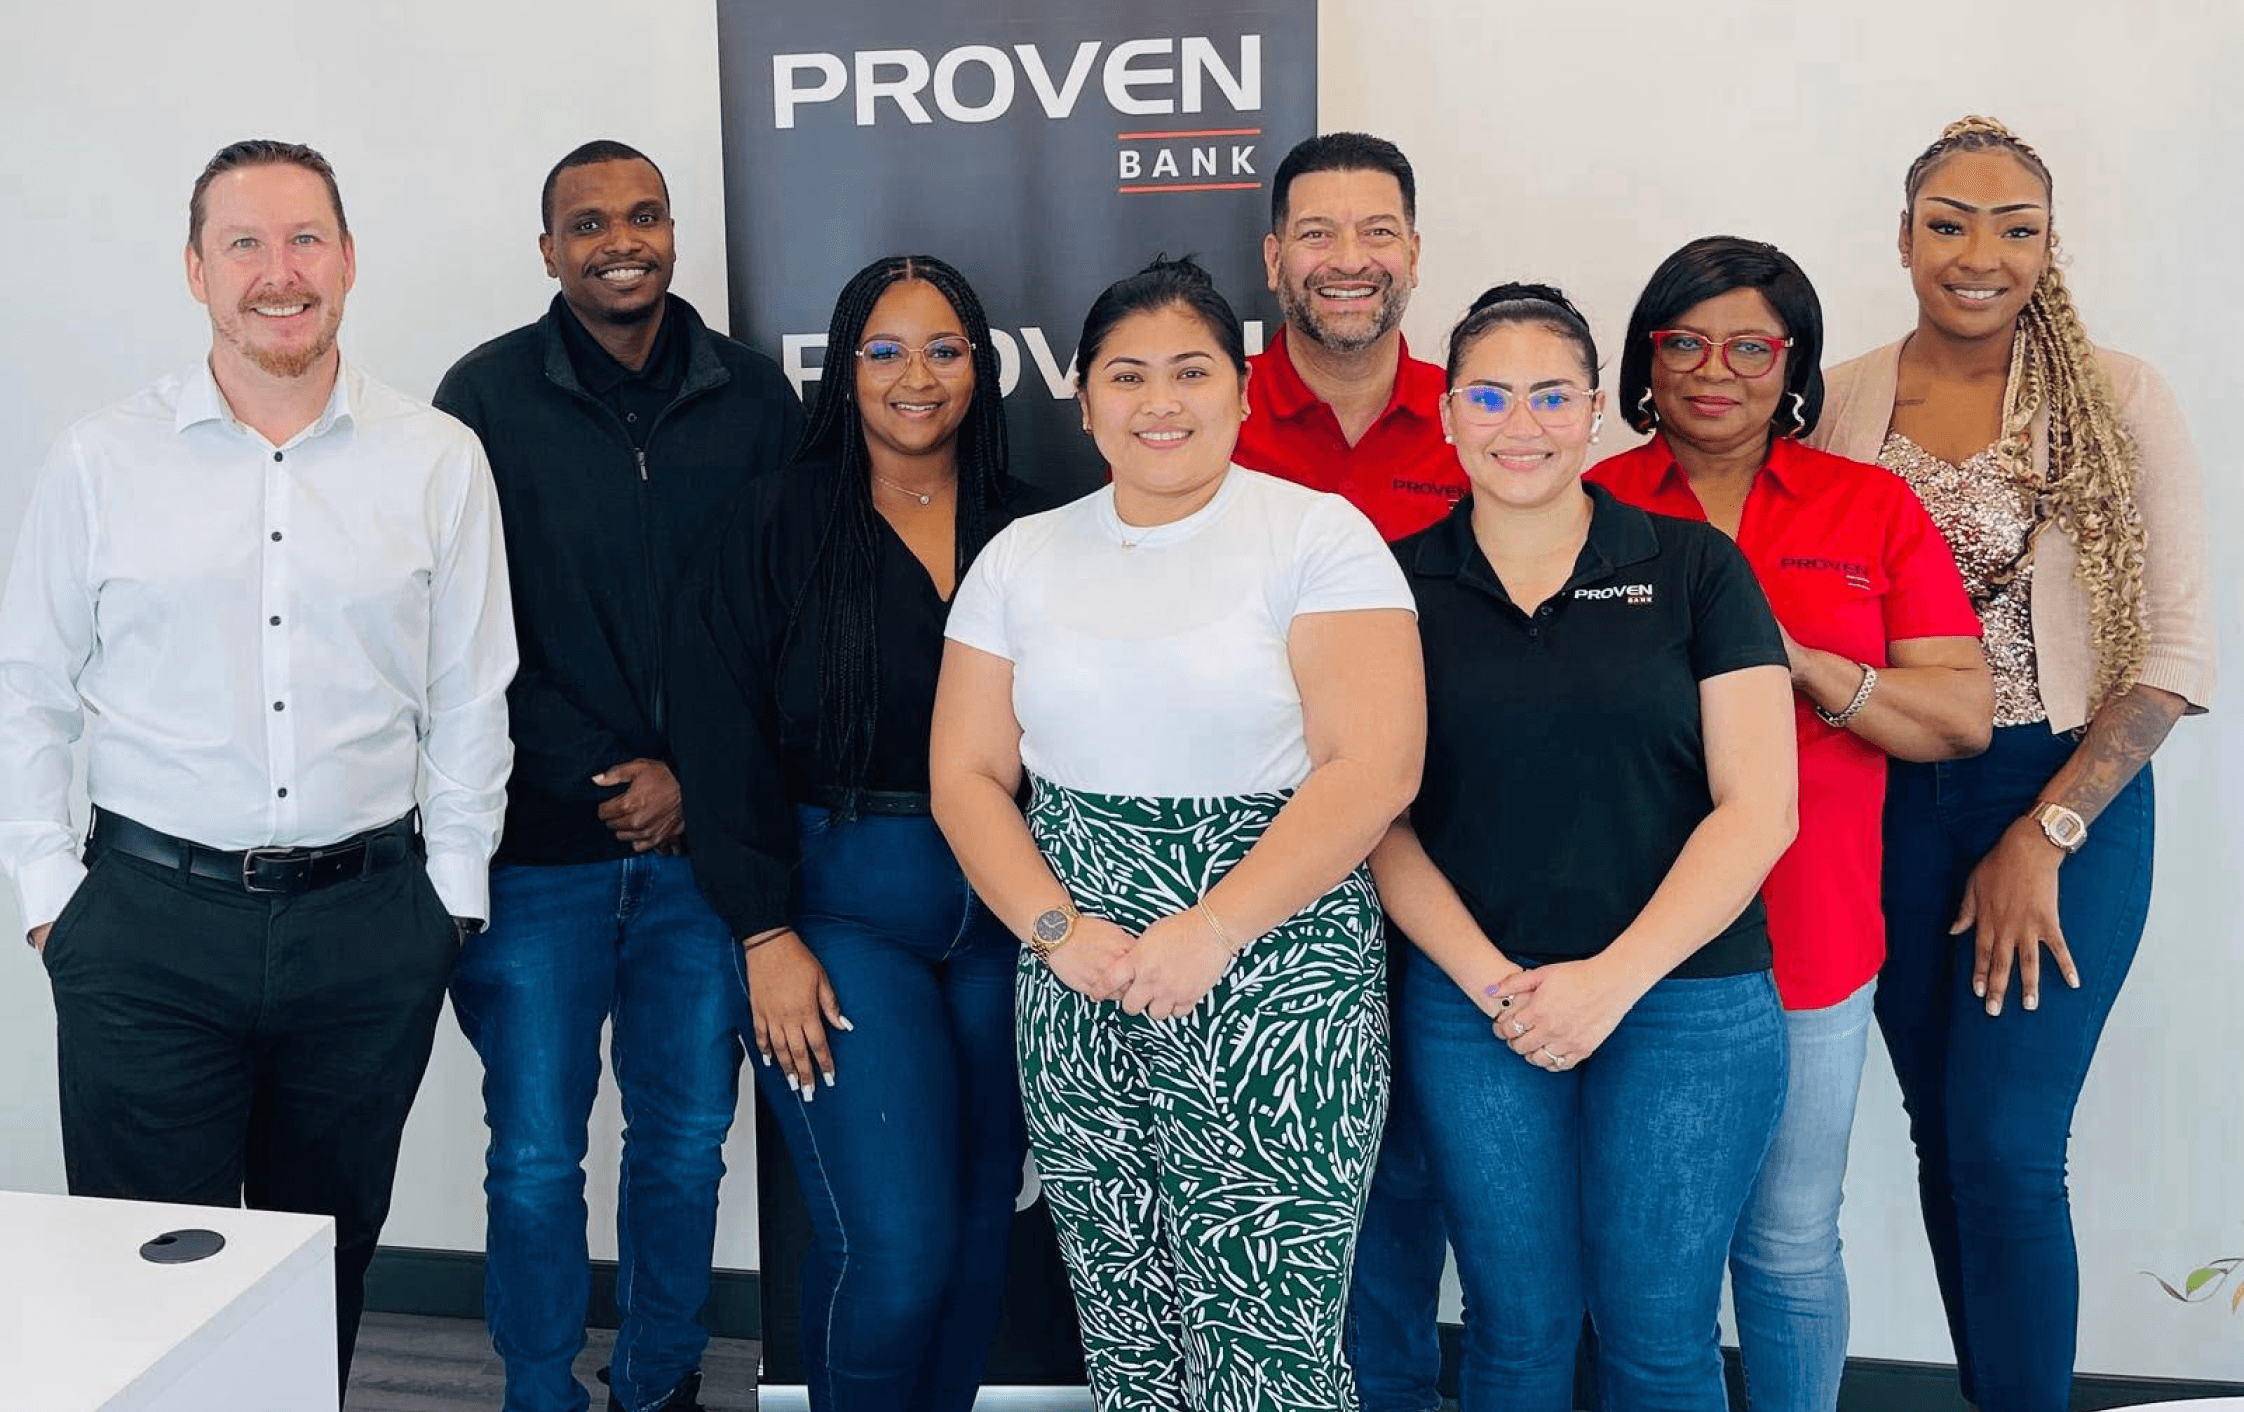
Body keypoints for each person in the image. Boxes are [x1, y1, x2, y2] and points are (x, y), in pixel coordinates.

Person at [0, 139, 515, 1386]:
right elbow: (27, 689)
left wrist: (448, 899)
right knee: (144, 1279)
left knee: (318, 1265)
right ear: (196, 270)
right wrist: (52, 900)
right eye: (244, 243)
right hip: (144, 931)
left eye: (304, 240)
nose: (278, 272)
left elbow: (470, 692)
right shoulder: (101, 459)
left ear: (348, 260)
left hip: (367, 929)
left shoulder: (436, 457)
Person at [930, 256, 1424, 1412]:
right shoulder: (1022, 557)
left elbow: (1375, 767)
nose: (1160, 400)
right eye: (1127, 374)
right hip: (1080, 978)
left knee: (1272, 1336)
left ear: (1241, 391)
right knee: (1125, 1325)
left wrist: (1213, 927)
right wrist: (1057, 930)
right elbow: (966, 774)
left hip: (1278, 979)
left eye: (1192, 371)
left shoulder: (1319, 537)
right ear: (1084, 399)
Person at [1808, 116, 2217, 1411]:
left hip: (2061, 790)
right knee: (1947, 1138)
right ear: (1904, 237)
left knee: (2005, 1141)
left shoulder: (2121, 397)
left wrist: (2045, 833)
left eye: (2015, 227)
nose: (1978, 255)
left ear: (2050, 246)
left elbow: (2173, 656)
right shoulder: (1842, 399)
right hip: (1882, 798)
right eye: (1948, 223)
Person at [1587, 237, 1992, 1411]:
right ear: (1647, 358)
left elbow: (1961, 715)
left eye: (1752, 347)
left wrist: (1803, 663)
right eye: (1684, 342)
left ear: (1795, 362)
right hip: (1625, 939)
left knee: (1790, 1239)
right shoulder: (1584, 498)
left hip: (1810, 942)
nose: (1716, 371)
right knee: (1636, 1248)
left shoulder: (1868, 505)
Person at [1375, 284, 1797, 1412]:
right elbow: (1375, 818)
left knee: (1658, 1340)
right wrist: (1496, 986)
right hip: (1479, 1005)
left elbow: (1761, 806)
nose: (1522, 423)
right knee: (1516, 1335)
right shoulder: (1391, 586)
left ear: (1598, 409)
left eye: (1552, 395)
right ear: (1448, 414)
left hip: (1684, 1001)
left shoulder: (1696, 568)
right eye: (1490, 396)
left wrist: (1609, 982)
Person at [431, 139, 801, 1412]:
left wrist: (693, 776)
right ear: (549, 250)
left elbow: (784, 616)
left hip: (705, 862)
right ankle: (541, 1390)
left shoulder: (757, 398)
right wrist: (604, 776)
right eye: (588, 224)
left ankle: (656, 1383)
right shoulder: (481, 399)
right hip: (536, 858)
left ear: (673, 232)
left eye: (643, 215)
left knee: (685, 1146)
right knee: (536, 1157)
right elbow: (461, 633)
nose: (620, 241)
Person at [670, 255, 1041, 1412]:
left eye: (943, 349)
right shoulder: (774, 522)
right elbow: (718, 736)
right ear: (844, 367)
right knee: (895, 1250)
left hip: (1013, 917)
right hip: (841, 910)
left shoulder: (1034, 529)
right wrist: (762, 931)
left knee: (979, 1232)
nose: (914, 375)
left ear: (980, 367)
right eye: (885, 350)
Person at [1235, 131, 1459, 1412]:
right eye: (1317, 232)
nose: (1348, 259)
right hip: (1263, 866)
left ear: (1414, 250)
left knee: (1409, 1182)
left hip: (1447, 860)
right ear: (1274, 256)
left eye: (1378, 230)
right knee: (1269, 1189)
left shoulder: (1484, 414)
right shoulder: (1205, 412)